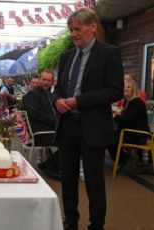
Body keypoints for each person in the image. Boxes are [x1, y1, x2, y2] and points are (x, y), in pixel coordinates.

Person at [53, 8, 124, 230]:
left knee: (94, 182)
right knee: (68, 181)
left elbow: (115, 91)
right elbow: (57, 89)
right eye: (71, 30)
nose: (73, 34)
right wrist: (57, 101)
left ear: (92, 26)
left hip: (92, 128)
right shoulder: (66, 57)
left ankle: (96, 225)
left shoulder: (109, 53)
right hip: (67, 127)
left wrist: (78, 101)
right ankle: (70, 221)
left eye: (78, 29)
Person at [22, 69, 60, 180]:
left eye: (49, 80)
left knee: (74, 135)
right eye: (43, 79)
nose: (46, 82)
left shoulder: (49, 94)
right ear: (39, 79)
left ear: (53, 82)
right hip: (39, 133)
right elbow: (38, 115)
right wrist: (57, 122)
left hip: (48, 129)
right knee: (72, 139)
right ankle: (51, 166)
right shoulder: (31, 95)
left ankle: (48, 164)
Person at [108, 80, 150, 170]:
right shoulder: (129, 102)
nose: (125, 89)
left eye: (128, 87)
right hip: (130, 132)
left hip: (138, 135)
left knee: (108, 139)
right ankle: (122, 158)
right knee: (108, 135)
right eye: (124, 87)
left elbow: (129, 120)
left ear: (133, 89)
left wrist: (115, 116)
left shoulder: (136, 103)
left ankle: (122, 159)